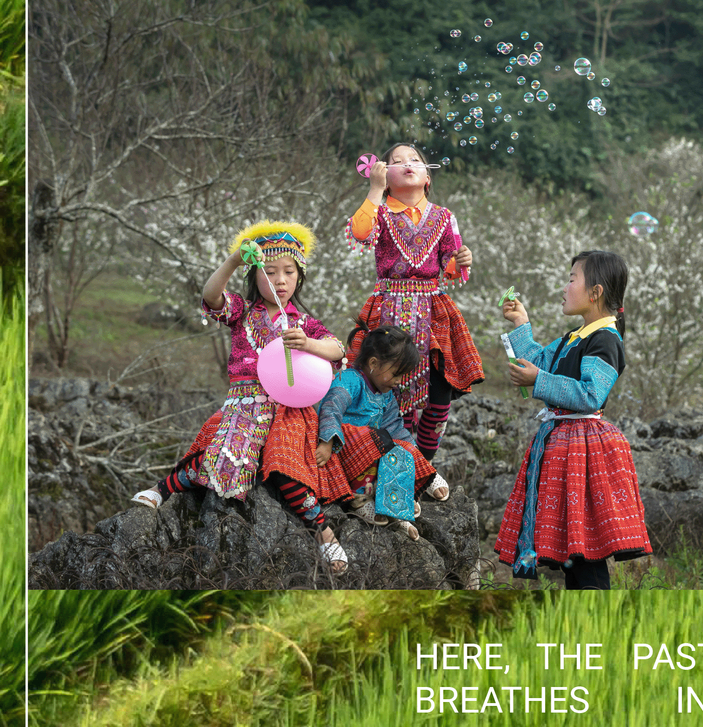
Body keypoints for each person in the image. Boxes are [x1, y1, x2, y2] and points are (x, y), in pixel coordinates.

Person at [133, 227, 358, 573]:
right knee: (224, 457)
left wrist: (309, 344)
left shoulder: (305, 323)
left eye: (289, 272)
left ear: (300, 276)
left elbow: (338, 349)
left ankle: (324, 534)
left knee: (286, 469)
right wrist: (235, 259)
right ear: (254, 277)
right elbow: (211, 297)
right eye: (269, 273)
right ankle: (162, 489)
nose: (280, 281)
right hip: (245, 404)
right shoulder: (241, 311)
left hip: (289, 411)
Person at [493, 249, 650, 592]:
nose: (565, 288)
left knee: (586, 555)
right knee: (574, 557)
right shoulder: (573, 338)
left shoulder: (605, 340)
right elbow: (538, 362)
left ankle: (597, 629)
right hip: (564, 449)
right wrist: (521, 325)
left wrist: (538, 381)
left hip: (586, 453)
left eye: (571, 279)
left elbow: (591, 394)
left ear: (595, 292)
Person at [346, 143, 479, 490]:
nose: (407, 164)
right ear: (384, 176)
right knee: (393, 392)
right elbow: (360, 234)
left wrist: (461, 261)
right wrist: (374, 190)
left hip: (433, 311)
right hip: (389, 309)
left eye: (415, 160)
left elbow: (451, 270)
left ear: (427, 177)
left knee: (439, 392)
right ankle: (399, 470)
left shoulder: (444, 216)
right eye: (396, 161)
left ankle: (424, 467)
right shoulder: (380, 210)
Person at [315, 320, 427, 524]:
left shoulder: (386, 395)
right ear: (374, 363)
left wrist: (413, 453)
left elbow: (395, 427)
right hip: (343, 450)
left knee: (398, 449)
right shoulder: (349, 380)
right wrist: (327, 441)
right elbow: (332, 407)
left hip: (370, 450)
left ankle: (395, 502)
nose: (399, 382)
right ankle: (358, 500)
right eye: (396, 374)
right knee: (376, 439)